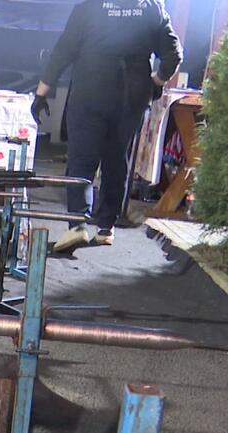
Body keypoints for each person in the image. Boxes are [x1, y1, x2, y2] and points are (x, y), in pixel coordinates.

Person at [32, 0, 182, 251]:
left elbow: (63, 51)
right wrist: (155, 81)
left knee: (82, 158)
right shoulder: (151, 7)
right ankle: (105, 228)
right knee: (116, 159)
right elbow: (174, 55)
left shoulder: (88, 7)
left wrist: (41, 94)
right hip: (131, 97)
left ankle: (77, 225)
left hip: (90, 91)